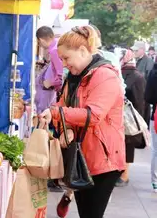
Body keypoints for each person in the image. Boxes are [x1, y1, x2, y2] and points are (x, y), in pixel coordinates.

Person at [41, 26, 125, 218]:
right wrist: (66, 130)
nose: (63, 64)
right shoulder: (73, 78)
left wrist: (56, 113)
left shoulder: (105, 75)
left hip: (104, 160)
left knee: (91, 214)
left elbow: (93, 115)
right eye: (61, 59)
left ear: (83, 51)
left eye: (66, 58)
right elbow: (63, 108)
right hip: (81, 155)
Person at [35, 26, 64, 192]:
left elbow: (60, 76)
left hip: (49, 99)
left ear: (41, 40)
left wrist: (49, 83)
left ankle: (51, 173)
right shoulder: (56, 49)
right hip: (50, 97)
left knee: (49, 135)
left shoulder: (54, 51)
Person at [115, 49, 146, 187]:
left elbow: (140, 101)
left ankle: (124, 175)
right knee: (124, 145)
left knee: (127, 145)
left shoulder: (133, 76)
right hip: (124, 117)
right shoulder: (124, 74)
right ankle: (122, 174)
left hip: (127, 117)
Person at [131, 41, 154, 127]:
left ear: (142, 50)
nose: (134, 52)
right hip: (137, 96)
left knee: (143, 122)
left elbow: (148, 80)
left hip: (144, 97)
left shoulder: (148, 61)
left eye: (136, 50)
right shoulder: (136, 60)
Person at [145, 57, 157, 193]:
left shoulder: (153, 73)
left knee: (156, 150)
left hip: (155, 114)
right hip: (156, 115)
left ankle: (155, 181)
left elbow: (148, 97)